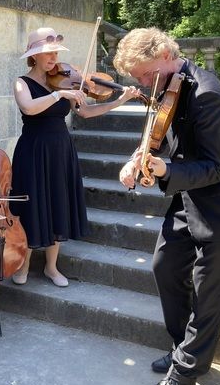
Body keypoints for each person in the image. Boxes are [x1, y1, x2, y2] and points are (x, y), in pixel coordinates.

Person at [114, 27, 220, 385]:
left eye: (145, 74)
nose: (144, 84)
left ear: (164, 53)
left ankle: (186, 373)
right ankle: (183, 348)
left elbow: (214, 166)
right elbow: (155, 137)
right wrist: (136, 159)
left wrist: (163, 171)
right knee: (164, 266)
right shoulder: (167, 86)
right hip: (188, 196)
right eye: (137, 78)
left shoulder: (208, 95)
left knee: (209, 290)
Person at [10, 27, 140, 287]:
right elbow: (28, 107)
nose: (53, 58)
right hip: (34, 150)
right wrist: (59, 94)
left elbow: (86, 112)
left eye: (55, 53)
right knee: (31, 204)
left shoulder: (64, 79)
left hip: (60, 149)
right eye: (48, 53)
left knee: (57, 202)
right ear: (34, 56)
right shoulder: (22, 83)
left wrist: (120, 100)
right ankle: (22, 264)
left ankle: (51, 267)